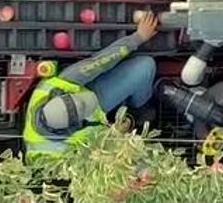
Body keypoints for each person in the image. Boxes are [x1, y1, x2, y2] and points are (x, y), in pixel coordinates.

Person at [23, 9, 161, 159]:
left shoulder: (55, 86)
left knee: (144, 67)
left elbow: (100, 62)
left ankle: (140, 109)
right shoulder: (56, 153)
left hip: (95, 99)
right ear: (71, 127)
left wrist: (138, 37)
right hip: (98, 140)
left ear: (61, 95)